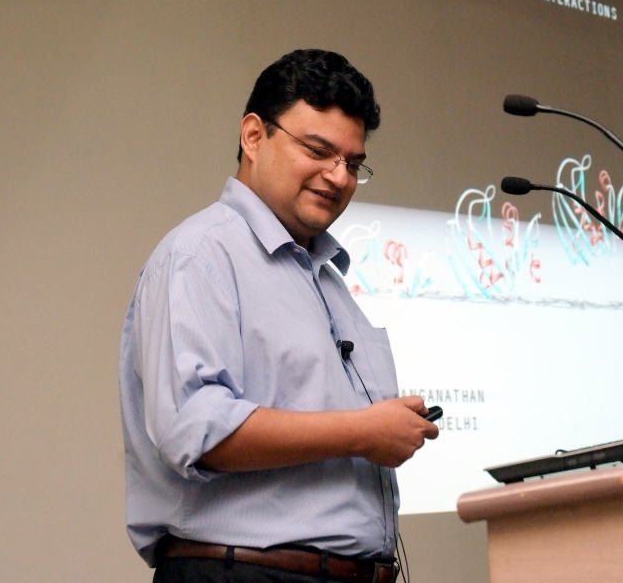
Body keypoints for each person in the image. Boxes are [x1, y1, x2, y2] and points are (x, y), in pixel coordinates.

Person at [119, 49, 439, 583]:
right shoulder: (201, 253)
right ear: (253, 136)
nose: (338, 176)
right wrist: (362, 431)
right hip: (242, 574)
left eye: (353, 163)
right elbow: (195, 429)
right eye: (319, 151)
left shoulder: (328, 282)